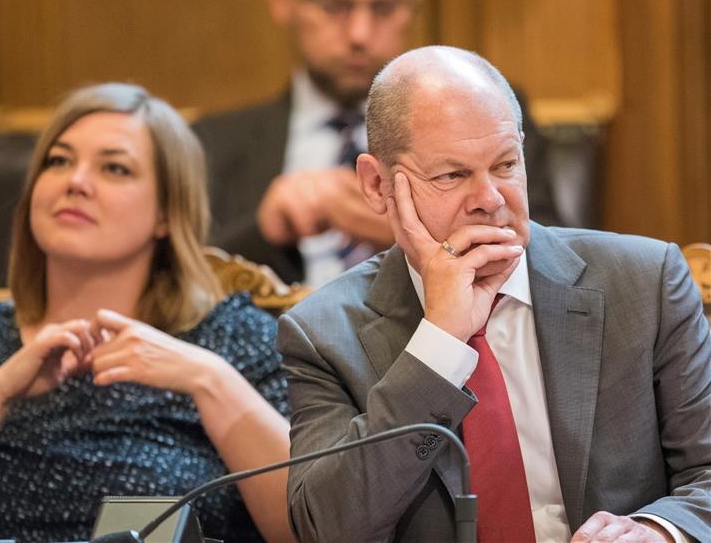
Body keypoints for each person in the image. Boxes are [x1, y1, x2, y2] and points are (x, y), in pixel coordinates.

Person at [278, 46, 711, 542]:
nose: (490, 199)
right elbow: (329, 528)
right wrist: (440, 342)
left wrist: (657, 531)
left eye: (506, 165)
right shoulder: (323, 334)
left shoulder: (643, 282)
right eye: (452, 175)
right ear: (377, 185)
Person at [0, 83, 294, 543]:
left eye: (115, 168)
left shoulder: (236, 343)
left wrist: (210, 380)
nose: (76, 181)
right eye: (59, 161)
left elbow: (310, 528)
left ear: (167, 214)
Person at [193, 0, 561, 288]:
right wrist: (263, 229)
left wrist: (415, 230)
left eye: (384, 9)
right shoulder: (213, 142)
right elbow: (175, 287)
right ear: (282, 0)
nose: (359, 34)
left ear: (414, 5)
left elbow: (555, 254)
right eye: (334, 7)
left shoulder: (487, 113)